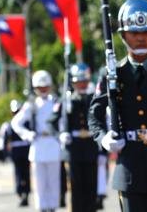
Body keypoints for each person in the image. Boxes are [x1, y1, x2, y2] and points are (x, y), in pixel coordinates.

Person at [88, 0, 147, 212]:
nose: (141, 38)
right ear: (123, 35)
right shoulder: (111, 74)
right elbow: (94, 115)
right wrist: (104, 138)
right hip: (130, 169)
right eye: (135, 33)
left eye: (146, 32)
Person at [49, 63, 99, 212]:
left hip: (90, 147)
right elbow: (51, 123)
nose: (82, 85)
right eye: (79, 82)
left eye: (84, 81)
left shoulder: (94, 98)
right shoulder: (65, 100)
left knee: (91, 187)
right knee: (76, 188)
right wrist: (60, 135)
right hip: (73, 150)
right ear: (73, 82)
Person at [12, 70, 61, 212]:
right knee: (39, 183)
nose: (44, 89)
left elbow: (63, 122)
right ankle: (42, 207)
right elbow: (16, 123)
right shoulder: (31, 105)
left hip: (52, 144)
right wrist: (27, 134)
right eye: (40, 87)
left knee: (53, 182)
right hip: (38, 145)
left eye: (46, 86)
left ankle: (53, 207)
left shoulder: (56, 103)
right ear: (35, 88)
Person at [0, 99, 31, 207]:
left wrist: (4, 155)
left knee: (21, 173)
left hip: (19, 151)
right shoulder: (17, 124)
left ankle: (23, 193)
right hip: (22, 150)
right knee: (23, 173)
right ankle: (23, 193)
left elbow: (5, 141)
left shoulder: (16, 123)